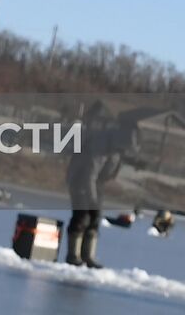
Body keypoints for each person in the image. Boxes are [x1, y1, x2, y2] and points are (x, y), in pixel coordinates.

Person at [65, 101, 139, 269]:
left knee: (95, 217)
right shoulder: (100, 145)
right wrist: (91, 199)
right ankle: (72, 255)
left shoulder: (117, 148)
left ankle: (88, 256)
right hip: (80, 179)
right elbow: (89, 173)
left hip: (96, 182)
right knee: (82, 215)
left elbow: (110, 168)